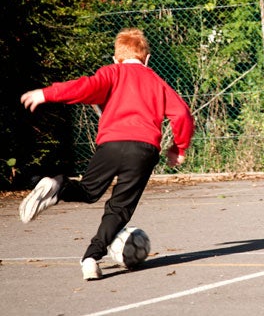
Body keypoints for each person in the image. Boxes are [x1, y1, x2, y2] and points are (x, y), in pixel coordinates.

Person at [19, 28, 195, 280]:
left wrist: (47, 93)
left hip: (110, 145)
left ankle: (56, 186)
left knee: (89, 191)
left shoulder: (111, 73)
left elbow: (84, 87)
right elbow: (183, 115)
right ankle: (91, 258)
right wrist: (178, 148)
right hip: (142, 150)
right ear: (147, 59)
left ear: (116, 59)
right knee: (119, 209)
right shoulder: (156, 81)